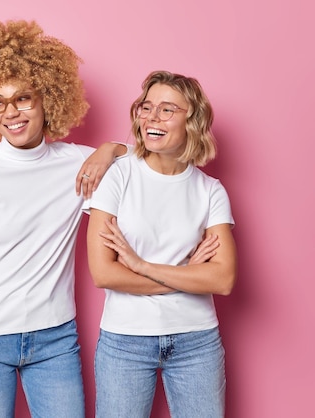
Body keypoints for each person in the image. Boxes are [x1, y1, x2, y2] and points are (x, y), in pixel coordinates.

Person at [0, 19, 127, 418]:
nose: (11, 112)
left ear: (48, 97)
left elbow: (148, 157)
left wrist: (110, 149)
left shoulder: (78, 163)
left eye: (23, 98)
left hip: (56, 341)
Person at [86, 70, 237, 417]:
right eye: (147, 106)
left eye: (167, 109)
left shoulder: (210, 191)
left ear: (193, 120)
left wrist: (140, 266)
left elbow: (223, 280)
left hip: (196, 341)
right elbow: (104, 273)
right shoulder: (117, 176)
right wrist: (187, 275)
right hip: (125, 340)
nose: (152, 117)